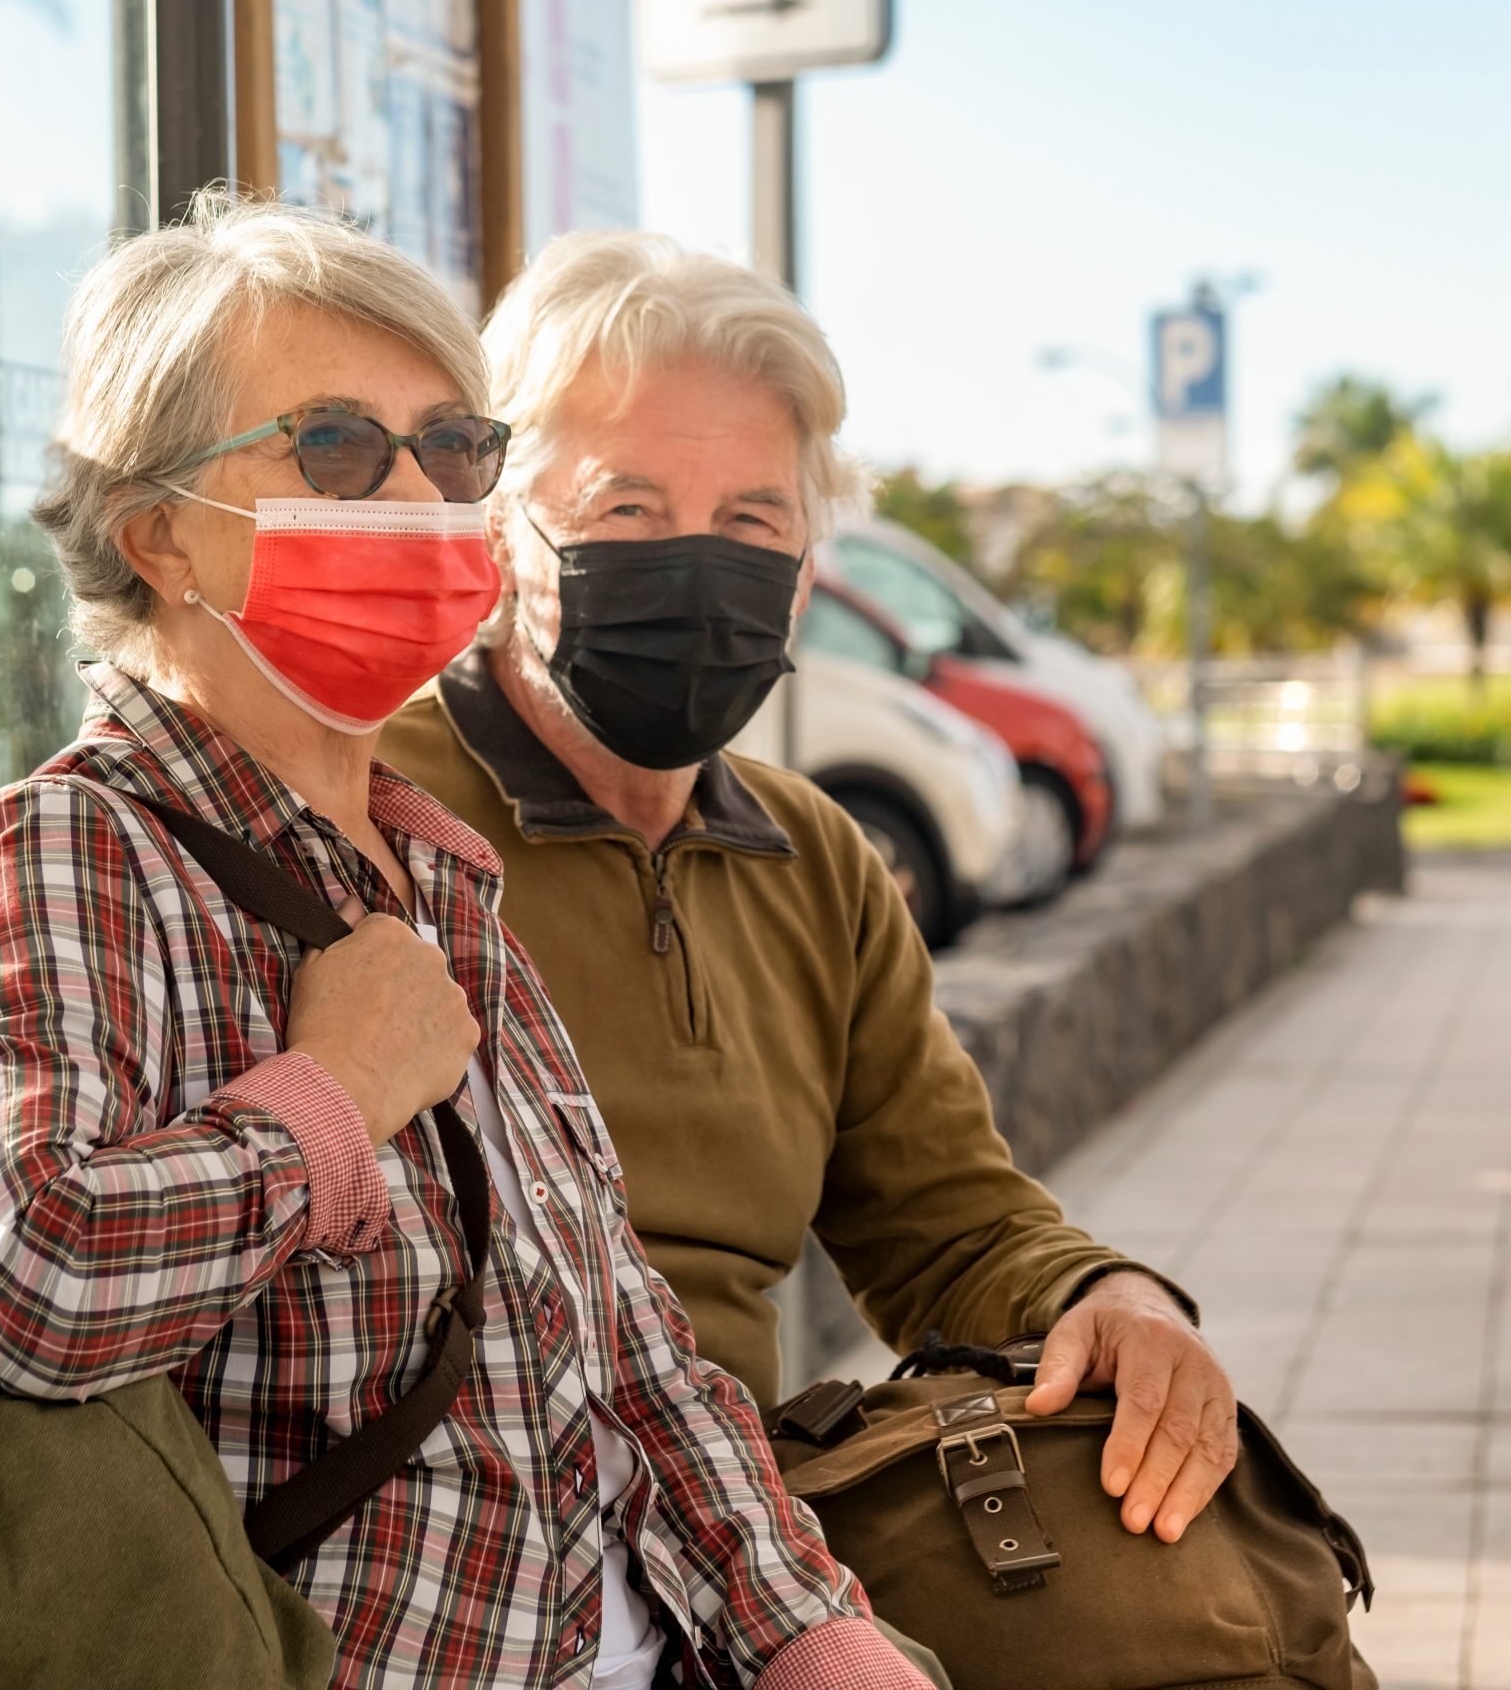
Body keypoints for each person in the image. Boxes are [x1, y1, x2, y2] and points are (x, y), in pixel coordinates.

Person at [0, 197, 929, 1690]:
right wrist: (328, 1095)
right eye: (332, 446)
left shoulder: (437, 869)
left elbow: (617, 1336)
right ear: (160, 532)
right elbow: (32, 1279)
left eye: (450, 449)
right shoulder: (72, 845)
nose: (412, 495)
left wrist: (808, 1627)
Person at [377, 232, 1242, 1547]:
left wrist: (1111, 1294)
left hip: (735, 1545)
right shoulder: (370, 813)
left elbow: (945, 1224)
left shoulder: (818, 860)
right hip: (450, 1551)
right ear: (499, 518)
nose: (698, 565)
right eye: (628, 508)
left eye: (750, 521)